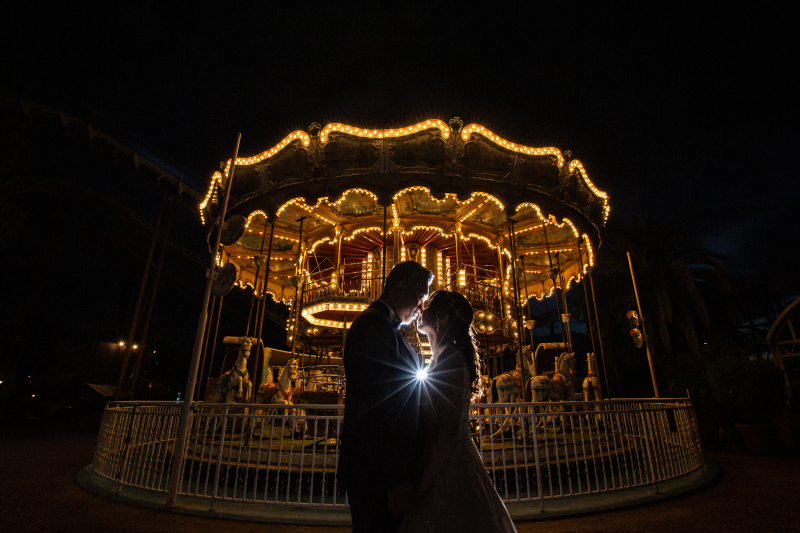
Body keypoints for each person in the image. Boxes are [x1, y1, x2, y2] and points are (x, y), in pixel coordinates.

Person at [400, 290, 517, 532]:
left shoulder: (449, 358)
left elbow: (449, 431)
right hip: (439, 456)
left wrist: (421, 486)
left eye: (428, 305)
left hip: (448, 464)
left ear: (442, 317)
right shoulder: (440, 357)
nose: (421, 308)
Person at [337, 260, 434, 532]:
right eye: (420, 296)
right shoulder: (373, 327)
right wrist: (396, 478)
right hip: (376, 472)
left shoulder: (385, 327)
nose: (421, 307)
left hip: (378, 469)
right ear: (400, 289)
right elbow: (379, 408)